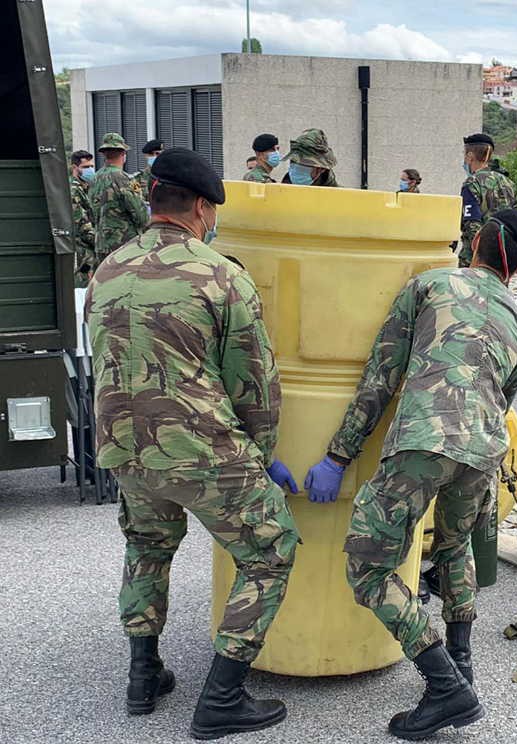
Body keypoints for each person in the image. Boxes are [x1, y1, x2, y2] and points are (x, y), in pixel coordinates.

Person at [85, 148, 300, 740]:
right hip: (201, 449)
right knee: (271, 549)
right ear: (202, 208)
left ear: (153, 200)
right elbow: (254, 382)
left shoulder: (106, 270)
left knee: (147, 547)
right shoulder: (220, 274)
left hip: (123, 449)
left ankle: (143, 676)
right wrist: (258, 455)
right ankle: (223, 696)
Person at [302, 209, 517, 740]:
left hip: (422, 441)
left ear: (475, 243)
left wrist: (339, 456)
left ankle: (444, 686)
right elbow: (505, 402)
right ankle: (462, 664)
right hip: (482, 450)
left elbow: (381, 376)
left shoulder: (431, 283)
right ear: (515, 269)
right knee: (455, 549)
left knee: (368, 570)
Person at [88, 132, 147, 271]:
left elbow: (91, 211)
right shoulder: (123, 178)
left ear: (104, 154)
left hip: (101, 243)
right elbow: (140, 214)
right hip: (123, 244)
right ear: (123, 154)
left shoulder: (95, 178)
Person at [457, 133, 517, 268]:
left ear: (470, 156)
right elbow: (515, 218)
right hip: (503, 252)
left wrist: (479, 255)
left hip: (478, 255)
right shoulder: (507, 182)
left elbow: (472, 222)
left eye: (465, 154)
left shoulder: (472, 182)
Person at [69, 149, 97, 286]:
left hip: (89, 246)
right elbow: (81, 224)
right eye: (86, 167)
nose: (90, 170)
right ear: (75, 168)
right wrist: (100, 241)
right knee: (84, 282)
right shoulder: (74, 190)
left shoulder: (86, 188)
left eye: (91, 166)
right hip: (83, 247)